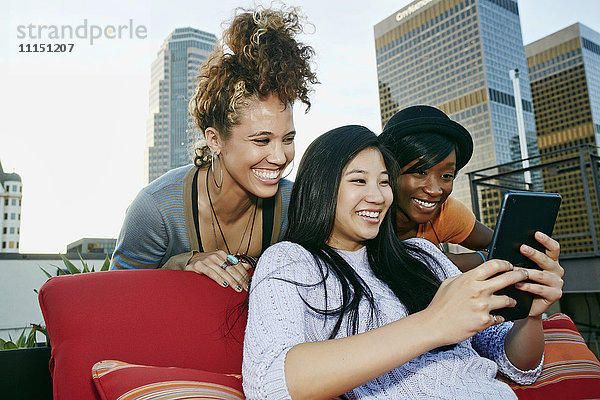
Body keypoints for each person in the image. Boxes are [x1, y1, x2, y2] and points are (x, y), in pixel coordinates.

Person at [242, 125, 563, 399]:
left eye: (384, 182)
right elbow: (268, 382)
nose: (378, 196)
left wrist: (530, 316)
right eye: (358, 181)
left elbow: (519, 368)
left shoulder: (423, 254)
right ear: (320, 188)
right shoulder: (291, 261)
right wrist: (433, 323)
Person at [110, 5, 318, 294]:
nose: (279, 157)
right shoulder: (157, 210)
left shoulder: (295, 206)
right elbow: (114, 298)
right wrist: (179, 265)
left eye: (287, 139)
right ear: (215, 140)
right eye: (261, 140)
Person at [379, 105, 493, 271]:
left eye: (446, 176)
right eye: (419, 172)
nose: (435, 190)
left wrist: (444, 261)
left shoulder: (446, 212)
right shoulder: (365, 215)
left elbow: (502, 246)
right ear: (389, 171)